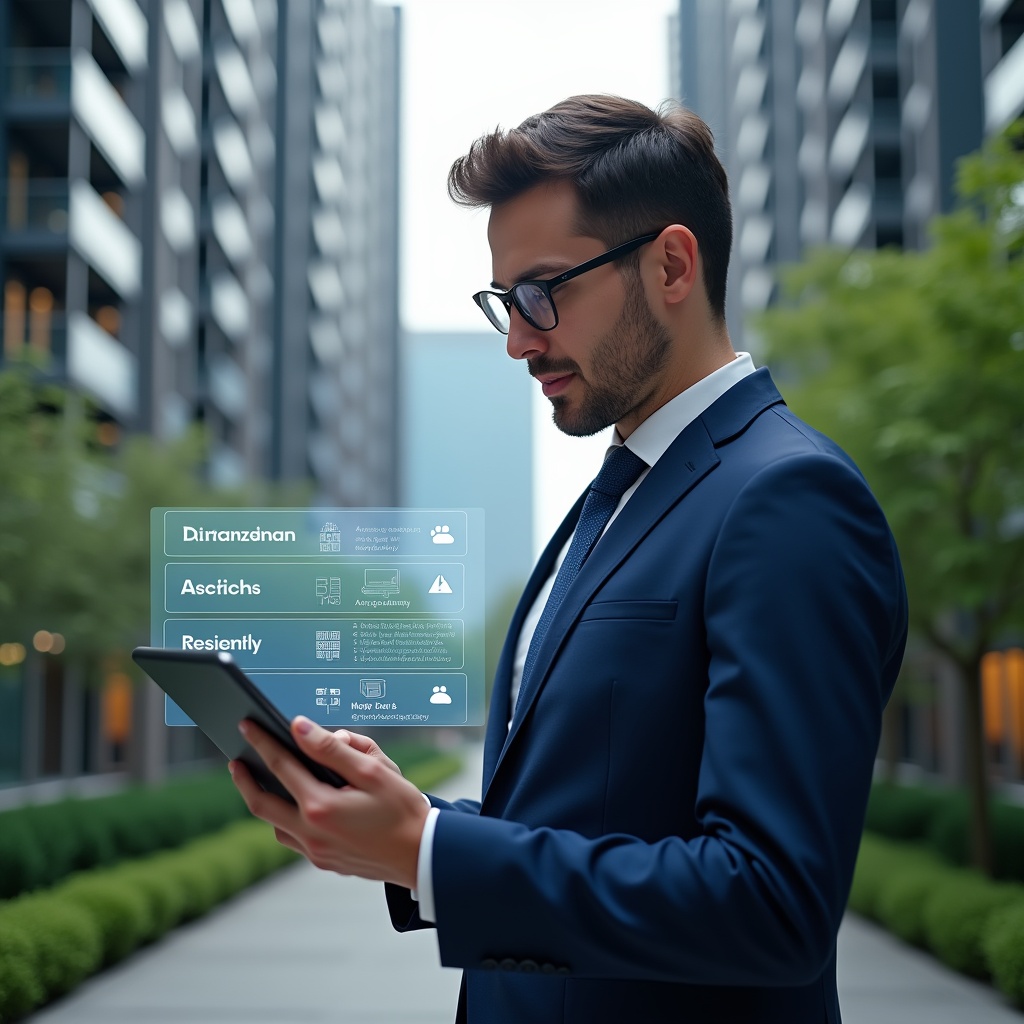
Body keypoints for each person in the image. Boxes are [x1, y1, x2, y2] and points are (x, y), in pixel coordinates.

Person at [229, 95, 908, 1024]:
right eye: (504, 302)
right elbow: (589, 819)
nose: (518, 339)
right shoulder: (617, 494)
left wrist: (430, 848)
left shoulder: (788, 499)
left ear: (672, 263)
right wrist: (403, 829)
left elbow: (771, 903)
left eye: (543, 293)